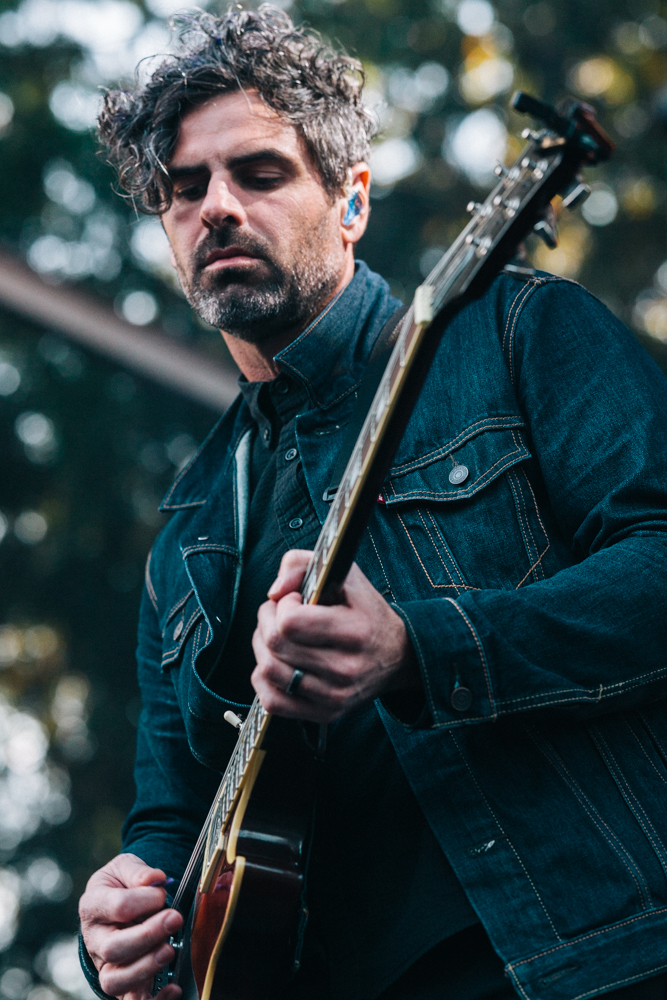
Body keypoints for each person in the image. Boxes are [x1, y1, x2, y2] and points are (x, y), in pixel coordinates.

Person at [78, 7, 667, 1000]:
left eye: (259, 173)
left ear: (349, 201)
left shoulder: (518, 334)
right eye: (185, 190)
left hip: (593, 959)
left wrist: (421, 649)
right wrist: (126, 915)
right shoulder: (184, 535)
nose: (217, 205)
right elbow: (171, 812)